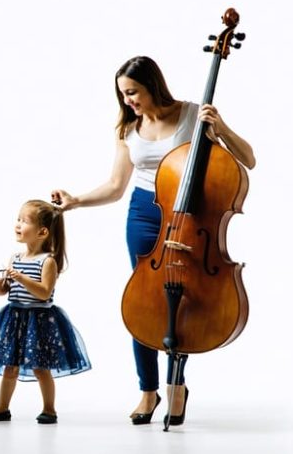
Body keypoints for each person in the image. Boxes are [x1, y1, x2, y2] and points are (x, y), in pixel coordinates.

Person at [51, 56, 255, 426]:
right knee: (146, 303)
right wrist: (76, 200)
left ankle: (176, 384)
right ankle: (148, 390)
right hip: (144, 213)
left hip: (190, 213)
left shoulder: (193, 114)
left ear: (152, 86)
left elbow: (249, 160)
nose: (128, 100)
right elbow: (115, 187)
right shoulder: (128, 128)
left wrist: (220, 128)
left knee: (182, 300)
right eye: (123, 95)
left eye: (133, 92)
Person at [0, 200, 91, 424]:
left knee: (41, 368)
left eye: (24, 221)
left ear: (42, 232)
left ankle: (49, 409)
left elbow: (44, 293)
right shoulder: (15, 258)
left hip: (39, 321)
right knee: (10, 368)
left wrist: (22, 278)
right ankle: (1, 407)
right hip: (15, 318)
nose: (17, 224)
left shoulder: (47, 261)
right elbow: (4, 289)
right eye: (18, 219)